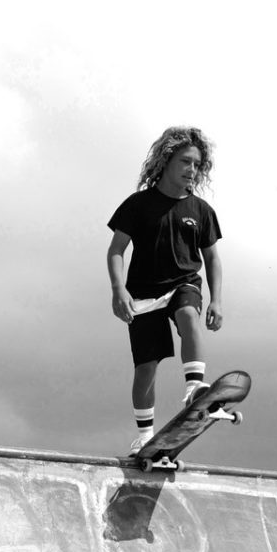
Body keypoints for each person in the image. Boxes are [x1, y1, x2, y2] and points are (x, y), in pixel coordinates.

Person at [106, 127, 224, 454]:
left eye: (197, 164)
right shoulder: (138, 205)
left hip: (184, 283)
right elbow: (116, 250)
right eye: (185, 161)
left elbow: (212, 258)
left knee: (188, 314)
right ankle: (145, 435)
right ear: (166, 160)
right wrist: (118, 290)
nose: (192, 169)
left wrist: (216, 300)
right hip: (143, 294)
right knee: (146, 367)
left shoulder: (201, 210)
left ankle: (194, 388)